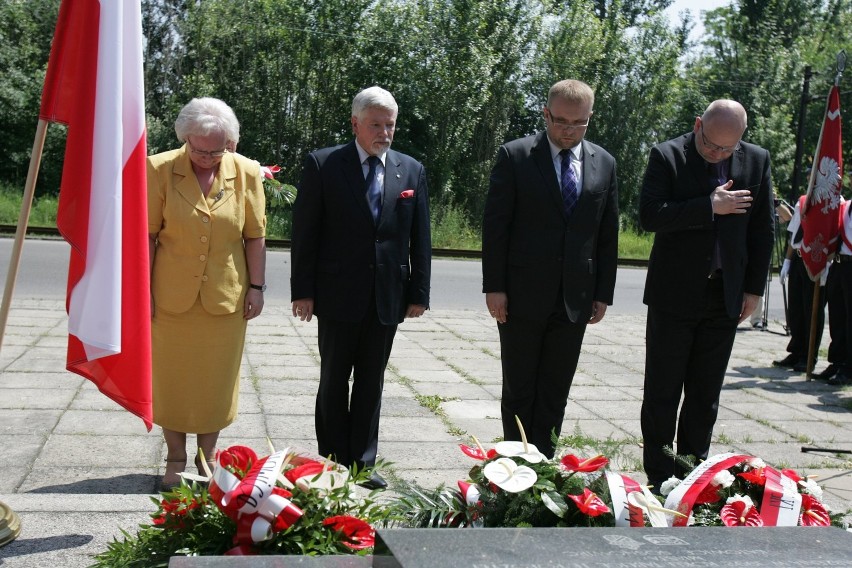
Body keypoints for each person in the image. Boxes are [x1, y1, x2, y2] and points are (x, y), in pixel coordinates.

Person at [290, 86, 431, 490]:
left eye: (390, 125)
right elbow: (306, 234)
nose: (384, 133)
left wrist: (419, 292)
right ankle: (333, 458)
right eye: (375, 124)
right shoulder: (323, 165)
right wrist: (304, 291)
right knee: (335, 377)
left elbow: (420, 237)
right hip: (336, 294)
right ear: (355, 124)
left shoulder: (411, 170)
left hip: (387, 295)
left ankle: (363, 463)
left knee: (373, 380)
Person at [639, 99, 774, 491]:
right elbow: (650, 214)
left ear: (741, 140)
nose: (717, 154)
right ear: (698, 125)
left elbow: (762, 230)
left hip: (724, 295)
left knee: (705, 395)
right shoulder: (667, 155)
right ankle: (659, 477)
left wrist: (752, 288)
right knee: (663, 392)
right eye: (711, 145)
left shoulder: (757, 161)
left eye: (726, 149)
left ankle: (691, 477)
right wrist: (709, 206)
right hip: (674, 295)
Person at [482, 79, 619, 458]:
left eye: (579, 123)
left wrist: (602, 293)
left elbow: (607, 233)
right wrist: (495, 286)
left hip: (575, 298)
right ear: (546, 114)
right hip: (521, 296)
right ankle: (512, 464)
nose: (568, 130)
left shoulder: (603, 162)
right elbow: (496, 227)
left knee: (556, 389)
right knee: (520, 388)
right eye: (560, 121)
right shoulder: (516, 156)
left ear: (589, 119)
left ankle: (543, 465)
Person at [147, 97, 267, 490]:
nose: (207, 157)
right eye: (199, 149)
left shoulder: (248, 172)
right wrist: (141, 290)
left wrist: (256, 288)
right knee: (172, 380)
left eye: (217, 150)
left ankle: (207, 458)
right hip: (169, 298)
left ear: (230, 144)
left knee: (216, 382)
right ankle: (176, 457)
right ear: (185, 139)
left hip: (226, 298)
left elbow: (255, 236)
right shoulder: (158, 168)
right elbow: (146, 236)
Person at [772, 196, 826, 372]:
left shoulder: (831, 201)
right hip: (798, 258)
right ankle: (796, 351)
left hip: (815, 258)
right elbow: (794, 234)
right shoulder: (802, 202)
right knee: (796, 309)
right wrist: (787, 261)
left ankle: (809, 355)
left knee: (811, 310)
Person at [826, 197, 852, 386]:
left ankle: (849, 367)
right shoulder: (846, 205)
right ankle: (837, 361)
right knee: (837, 315)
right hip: (839, 264)